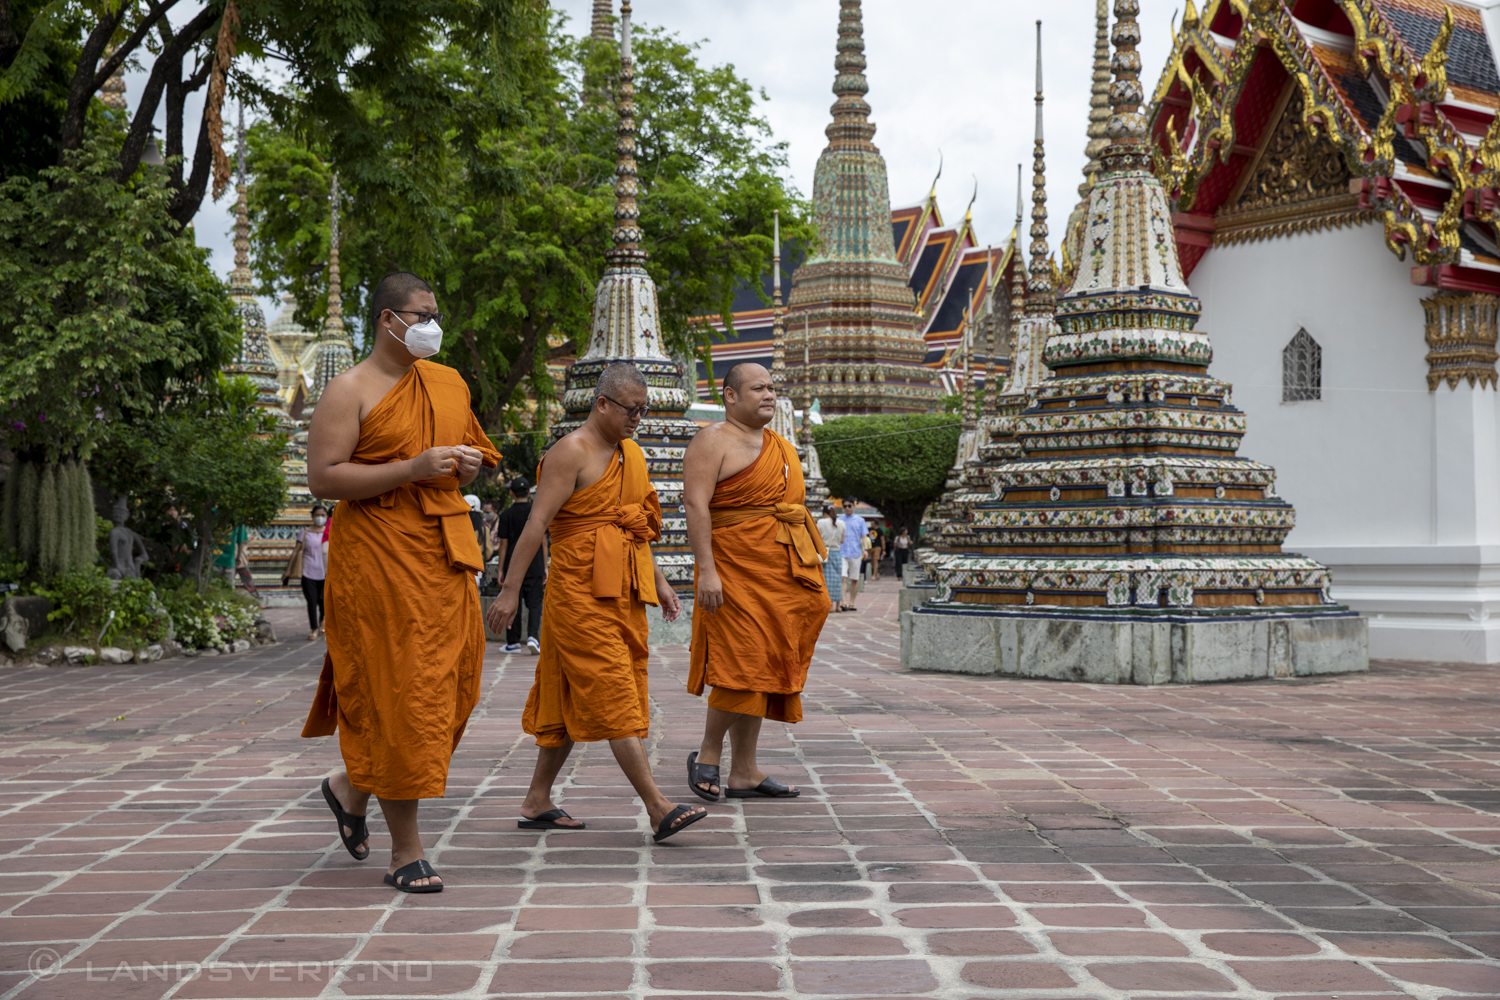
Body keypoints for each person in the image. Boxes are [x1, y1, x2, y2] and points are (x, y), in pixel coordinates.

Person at [301, 271, 499, 893]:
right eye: (421, 314)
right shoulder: (350, 390)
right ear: (388, 319)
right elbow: (325, 480)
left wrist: (463, 464)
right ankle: (406, 851)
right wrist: (409, 467)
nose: (432, 325)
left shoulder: (446, 382)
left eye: (436, 312)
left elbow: (465, 459)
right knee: (399, 696)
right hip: (378, 561)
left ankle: (348, 786)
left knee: (451, 688)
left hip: (441, 555)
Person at [485, 362, 707, 843]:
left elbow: (635, 526)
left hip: (623, 592)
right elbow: (535, 525)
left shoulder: (632, 455)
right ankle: (657, 806)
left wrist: (662, 582)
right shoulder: (571, 452)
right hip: (578, 595)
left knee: (568, 700)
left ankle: (537, 799)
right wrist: (508, 590)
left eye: (644, 410)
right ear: (602, 403)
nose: (638, 418)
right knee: (614, 694)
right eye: (631, 409)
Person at [682, 362, 830, 802]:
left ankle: (744, 770)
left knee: (764, 663)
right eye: (758, 388)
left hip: (779, 570)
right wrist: (706, 569)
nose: (769, 394)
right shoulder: (712, 440)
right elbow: (695, 505)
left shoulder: (781, 447)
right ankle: (708, 753)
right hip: (733, 569)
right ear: (730, 396)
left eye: (772, 387)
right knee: (741, 662)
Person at [493, 477, 548, 654]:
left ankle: (513, 641)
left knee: (512, 599)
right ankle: (533, 637)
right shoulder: (537, 513)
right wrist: (545, 566)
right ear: (529, 493)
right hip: (536, 563)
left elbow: (503, 544)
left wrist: (501, 569)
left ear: (511, 493)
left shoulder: (506, 515)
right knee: (535, 603)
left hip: (513, 565)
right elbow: (544, 540)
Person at [283, 505, 330, 641]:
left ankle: (323, 622)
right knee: (311, 601)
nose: (320, 518)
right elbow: (296, 551)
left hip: (326, 572)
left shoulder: (330, 532)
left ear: (327, 517)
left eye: (323, 515)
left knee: (324, 601)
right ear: (312, 516)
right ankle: (314, 629)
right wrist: (288, 570)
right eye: (317, 515)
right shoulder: (304, 532)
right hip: (308, 571)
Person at [839, 498, 866, 611]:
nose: (847, 508)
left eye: (849, 506)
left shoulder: (860, 520)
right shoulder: (839, 520)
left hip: (856, 552)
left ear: (854, 505)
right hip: (841, 553)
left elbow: (863, 536)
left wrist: (866, 550)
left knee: (855, 579)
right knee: (843, 577)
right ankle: (843, 602)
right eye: (845, 506)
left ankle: (851, 603)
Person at [817, 504, 844, 613]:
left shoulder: (821, 522)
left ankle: (830, 605)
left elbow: (815, 537)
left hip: (825, 553)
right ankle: (838, 605)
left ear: (824, 513)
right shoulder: (841, 523)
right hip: (837, 553)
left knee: (826, 580)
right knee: (837, 580)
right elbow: (842, 540)